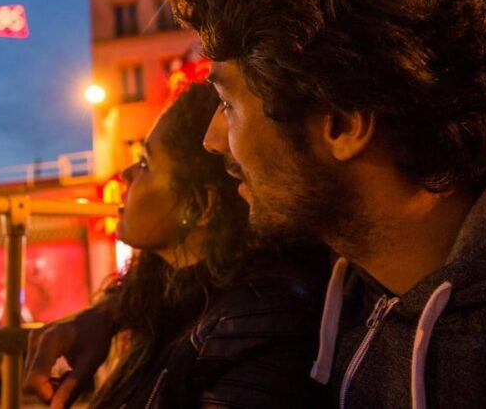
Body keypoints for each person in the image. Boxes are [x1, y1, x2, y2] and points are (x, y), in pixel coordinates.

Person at [171, 0, 486, 409]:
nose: (210, 139)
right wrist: (112, 314)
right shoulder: (353, 269)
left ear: (342, 125)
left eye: (227, 104)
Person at [24, 83, 329, 408]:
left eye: (145, 163)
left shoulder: (253, 328)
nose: (126, 174)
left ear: (198, 208)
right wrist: (106, 314)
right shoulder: (167, 301)